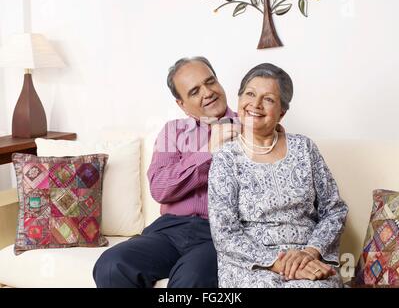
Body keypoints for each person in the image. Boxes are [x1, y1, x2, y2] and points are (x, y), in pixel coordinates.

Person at [92, 56, 241, 287]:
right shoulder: (173, 132)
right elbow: (161, 188)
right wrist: (208, 152)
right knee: (112, 264)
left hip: (218, 234)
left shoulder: (251, 128)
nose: (207, 92)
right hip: (168, 230)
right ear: (181, 104)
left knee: (191, 278)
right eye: (194, 91)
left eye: (210, 82)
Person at [208, 63, 349, 288]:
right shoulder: (226, 158)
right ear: (239, 100)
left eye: (268, 99)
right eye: (250, 94)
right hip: (251, 267)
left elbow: (334, 210)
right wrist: (279, 264)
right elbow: (224, 232)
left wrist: (310, 253)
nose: (255, 104)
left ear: (282, 112)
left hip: (307, 258)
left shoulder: (304, 148)